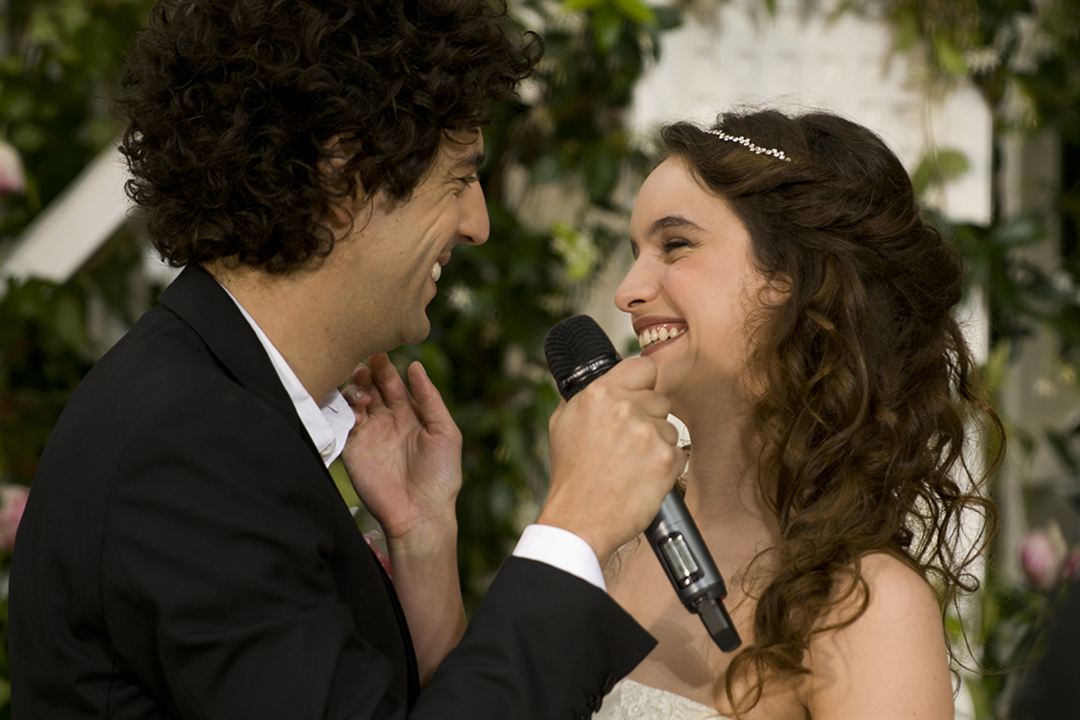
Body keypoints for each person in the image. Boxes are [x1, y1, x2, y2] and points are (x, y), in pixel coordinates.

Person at [8, 2, 686, 718]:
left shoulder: (206, 398)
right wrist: (575, 524)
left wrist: (423, 541)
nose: (479, 224)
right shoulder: (190, 444)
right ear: (343, 181)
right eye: (459, 179)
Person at [592, 108, 1003, 719]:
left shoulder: (862, 603)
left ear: (790, 275)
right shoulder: (613, 532)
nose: (627, 291)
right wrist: (427, 540)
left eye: (675, 245)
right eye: (635, 251)